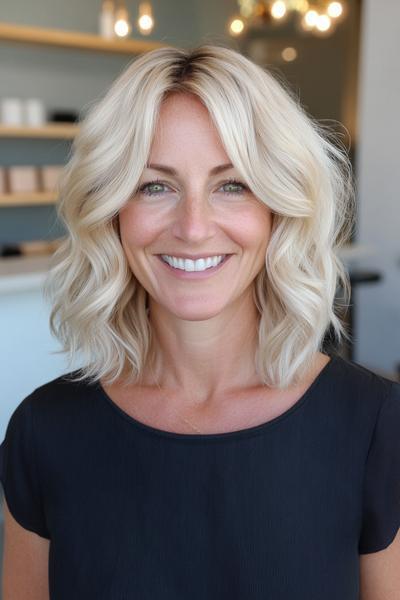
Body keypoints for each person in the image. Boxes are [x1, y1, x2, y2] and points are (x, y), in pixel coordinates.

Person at [1, 44, 399, 600]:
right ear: (113, 211)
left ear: (277, 211)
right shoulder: (42, 433)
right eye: (155, 185)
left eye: (231, 184)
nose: (193, 227)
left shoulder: (376, 428)